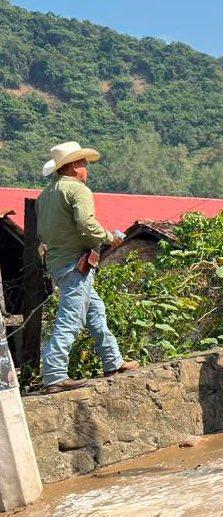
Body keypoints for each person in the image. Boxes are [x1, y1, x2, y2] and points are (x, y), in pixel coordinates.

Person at [36, 141, 137, 393]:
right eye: (82, 163)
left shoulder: (46, 194)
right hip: (75, 265)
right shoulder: (78, 190)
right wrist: (110, 237)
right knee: (71, 318)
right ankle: (55, 374)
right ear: (72, 167)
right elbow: (86, 224)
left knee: (95, 311)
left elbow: (43, 233)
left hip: (59, 264)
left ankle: (113, 361)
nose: (85, 168)